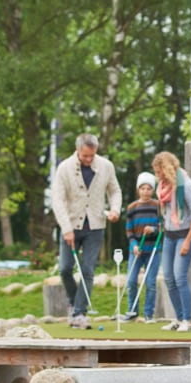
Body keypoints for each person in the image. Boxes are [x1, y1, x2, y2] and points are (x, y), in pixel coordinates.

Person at [51, 132, 122, 330]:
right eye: (85, 156)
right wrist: (66, 229)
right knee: (65, 269)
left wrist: (115, 209)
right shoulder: (64, 168)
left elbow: (114, 190)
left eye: (92, 155)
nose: (89, 159)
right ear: (78, 150)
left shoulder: (106, 166)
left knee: (87, 269)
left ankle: (80, 314)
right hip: (71, 225)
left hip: (95, 226)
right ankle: (74, 303)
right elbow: (57, 200)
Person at [153, 151, 191, 332]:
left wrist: (188, 241)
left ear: (167, 169)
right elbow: (165, 213)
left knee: (180, 277)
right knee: (168, 278)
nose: (158, 176)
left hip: (185, 235)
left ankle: (187, 320)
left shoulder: (185, 185)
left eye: (160, 172)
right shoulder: (164, 188)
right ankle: (178, 318)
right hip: (169, 236)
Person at [122, 172, 162, 321]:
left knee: (150, 283)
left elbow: (163, 226)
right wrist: (133, 245)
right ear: (138, 189)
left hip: (153, 250)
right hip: (136, 251)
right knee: (131, 281)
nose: (145, 191)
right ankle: (132, 311)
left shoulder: (158, 205)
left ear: (153, 190)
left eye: (149, 188)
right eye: (143, 188)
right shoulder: (132, 207)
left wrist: (154, 229)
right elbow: (129, 230)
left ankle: (148, 314)